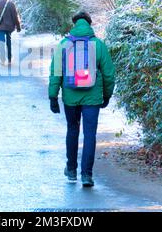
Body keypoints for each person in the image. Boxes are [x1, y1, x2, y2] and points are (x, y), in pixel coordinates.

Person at [48, 12, 115, 187]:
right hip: (92, 98)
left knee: (72, 130)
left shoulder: (63, 45)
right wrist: (106, 95)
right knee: (90, 134)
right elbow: (109, 74)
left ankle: (71, 170)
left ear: (74, 24)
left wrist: (53, 96)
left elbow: (56, 71)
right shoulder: (98, 45)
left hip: (70, 97)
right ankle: (86, 175)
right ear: (90, 24)